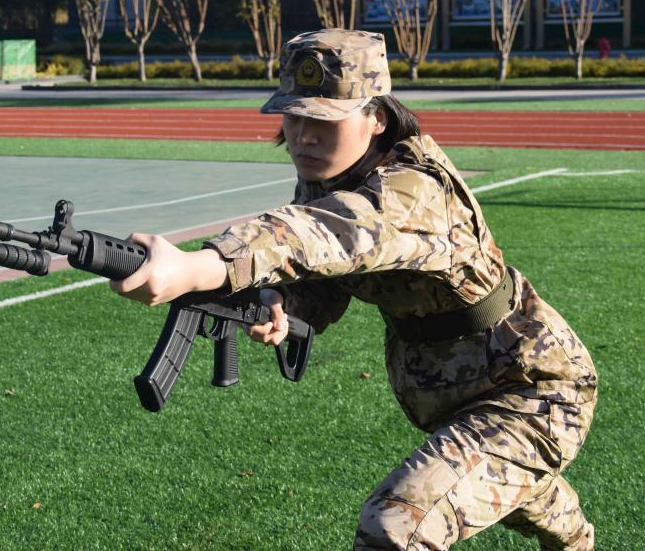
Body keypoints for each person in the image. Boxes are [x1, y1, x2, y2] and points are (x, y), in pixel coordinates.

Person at [111, 29, 598, 550]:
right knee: (523, 495)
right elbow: (328, 275)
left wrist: (201, 264)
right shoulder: (330, 180)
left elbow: (327, 233)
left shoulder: (414, 191)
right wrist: (283, 301)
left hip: (530, 392)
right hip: (452, 392)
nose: (303, 137)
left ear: (377, 117)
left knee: (395, 525)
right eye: (293, 117)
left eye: (324, 120)